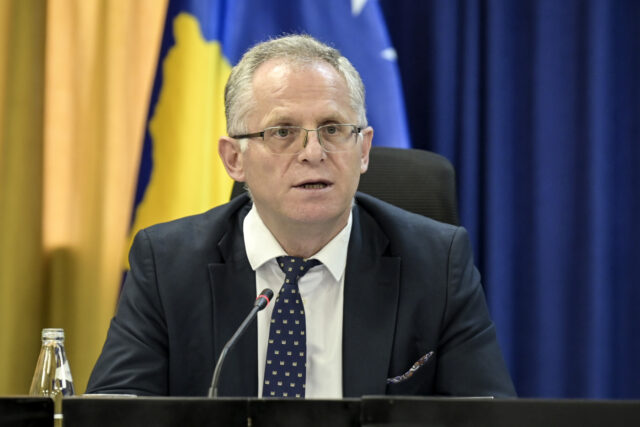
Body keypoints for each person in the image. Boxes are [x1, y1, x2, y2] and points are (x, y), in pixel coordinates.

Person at [87, 34, 516, 398]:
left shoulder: (437, 264)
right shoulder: (167, 265)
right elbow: (115, 413)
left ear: (363, 150)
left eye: (332, 129)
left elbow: (488, 416)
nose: (313, 153)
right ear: (234, 158)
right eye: (282, 132)